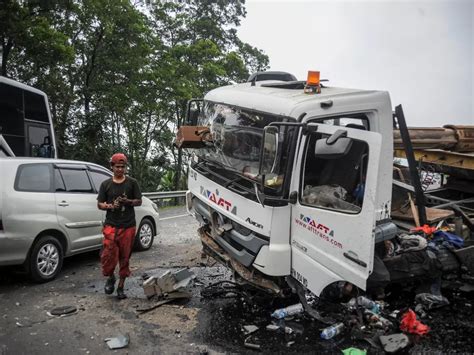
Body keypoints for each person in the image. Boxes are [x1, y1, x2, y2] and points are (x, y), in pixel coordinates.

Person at [97, 153, 142, 299]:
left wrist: (128, 202)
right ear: (112, 167)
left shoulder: (132, 183)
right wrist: (112, 206)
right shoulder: (105, 184)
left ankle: (121, 287)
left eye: (123, 167)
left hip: (128, 226)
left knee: (125, 257)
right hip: (111, 226)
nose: (120, 169)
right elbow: (100, 204)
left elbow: (139, 201)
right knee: (108, 256)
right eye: (117, 167)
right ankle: (110, 277)